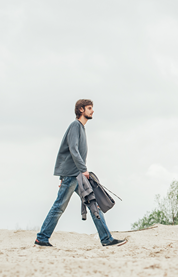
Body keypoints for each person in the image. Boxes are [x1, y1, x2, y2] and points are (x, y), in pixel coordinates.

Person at [35, 99, 126, 247]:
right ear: (81, 110)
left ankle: (106, 239)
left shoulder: (81, 128)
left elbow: (71, 154)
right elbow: (73, 149)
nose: (93, 110)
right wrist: (81, 170)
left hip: (75, 175)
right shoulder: (75, 126)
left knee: (93, 205)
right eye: (89, 108)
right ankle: (42, 238)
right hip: (73, 176)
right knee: (59, 206)